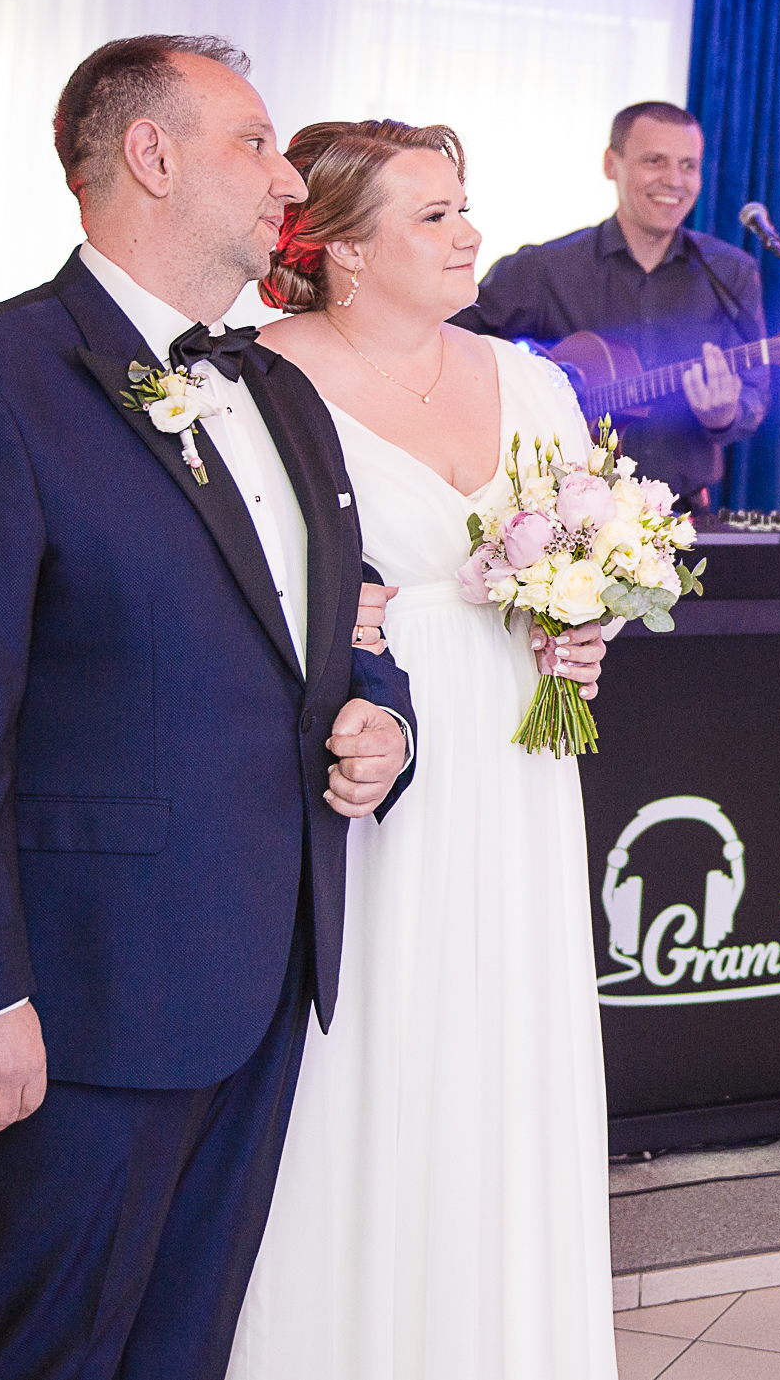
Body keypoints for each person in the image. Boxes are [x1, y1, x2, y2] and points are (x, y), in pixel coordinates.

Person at [0, 34, 418, 1380]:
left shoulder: (280, 391)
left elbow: (339, 617)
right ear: (151, 156)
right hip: (75, 996)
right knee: (28, 1350)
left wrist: (383, 720)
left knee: (180, 1349)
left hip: (262, 975)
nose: (288, 178)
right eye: (255, 143)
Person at [226, 119, 618, 1380]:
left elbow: (587, 549)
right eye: (435, 215)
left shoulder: (531, 381)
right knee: (376, 1035)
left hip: (519, 746)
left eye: (465, 206)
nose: (469, 234)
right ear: (342, 248)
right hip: (362, 752)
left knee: (506, 1042)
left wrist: (588, 622)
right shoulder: (255, 379)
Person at [453, 99, 768, 507]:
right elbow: (451, 345)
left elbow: (756, 392)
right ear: (610, 163)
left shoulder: (730, 273)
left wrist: (725, 416)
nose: (674, 180)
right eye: (654, 161)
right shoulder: (544, 268)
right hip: (562, 523)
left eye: (688, 165)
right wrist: (522, 402)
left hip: (684, 515)